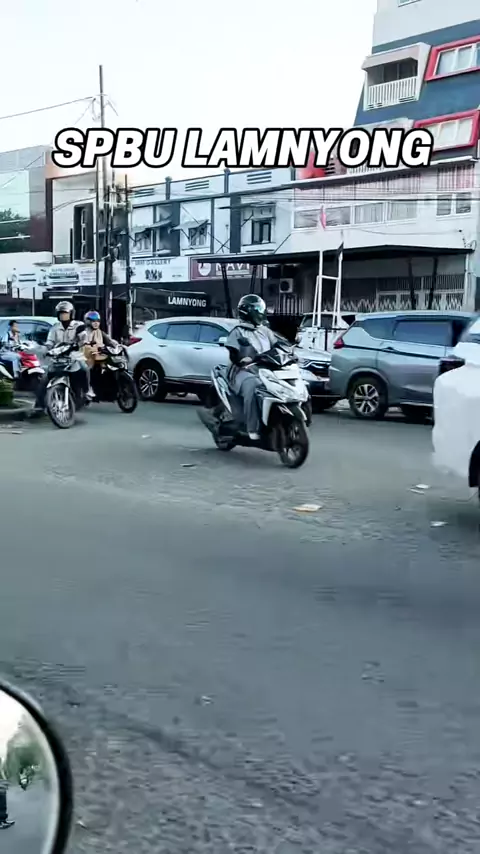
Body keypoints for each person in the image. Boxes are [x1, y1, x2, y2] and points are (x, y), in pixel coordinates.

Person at [225, 294, 278, 441]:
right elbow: (233, 353)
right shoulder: (238, 331)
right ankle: (252, 428)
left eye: (261, 309)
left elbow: (278, 346)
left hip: (263, 369)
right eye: (257, 309)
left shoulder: (265, 331)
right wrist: (241, 360)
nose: (261, 312)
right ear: (247, 311)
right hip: (241, 371)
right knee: (253, 387)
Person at [34, 300, 91, 412]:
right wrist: (45, 349)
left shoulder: (78, 325)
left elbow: (83, 337)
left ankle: (87, 391)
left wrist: (81, 342)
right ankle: (38, 406)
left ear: (71, 314)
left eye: (65, 313)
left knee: (84, 369)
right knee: (44, 380)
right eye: (61, 313)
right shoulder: (55, 328)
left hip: (74, 356)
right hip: (58, 358)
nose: (63, 316)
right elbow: (50, 343)